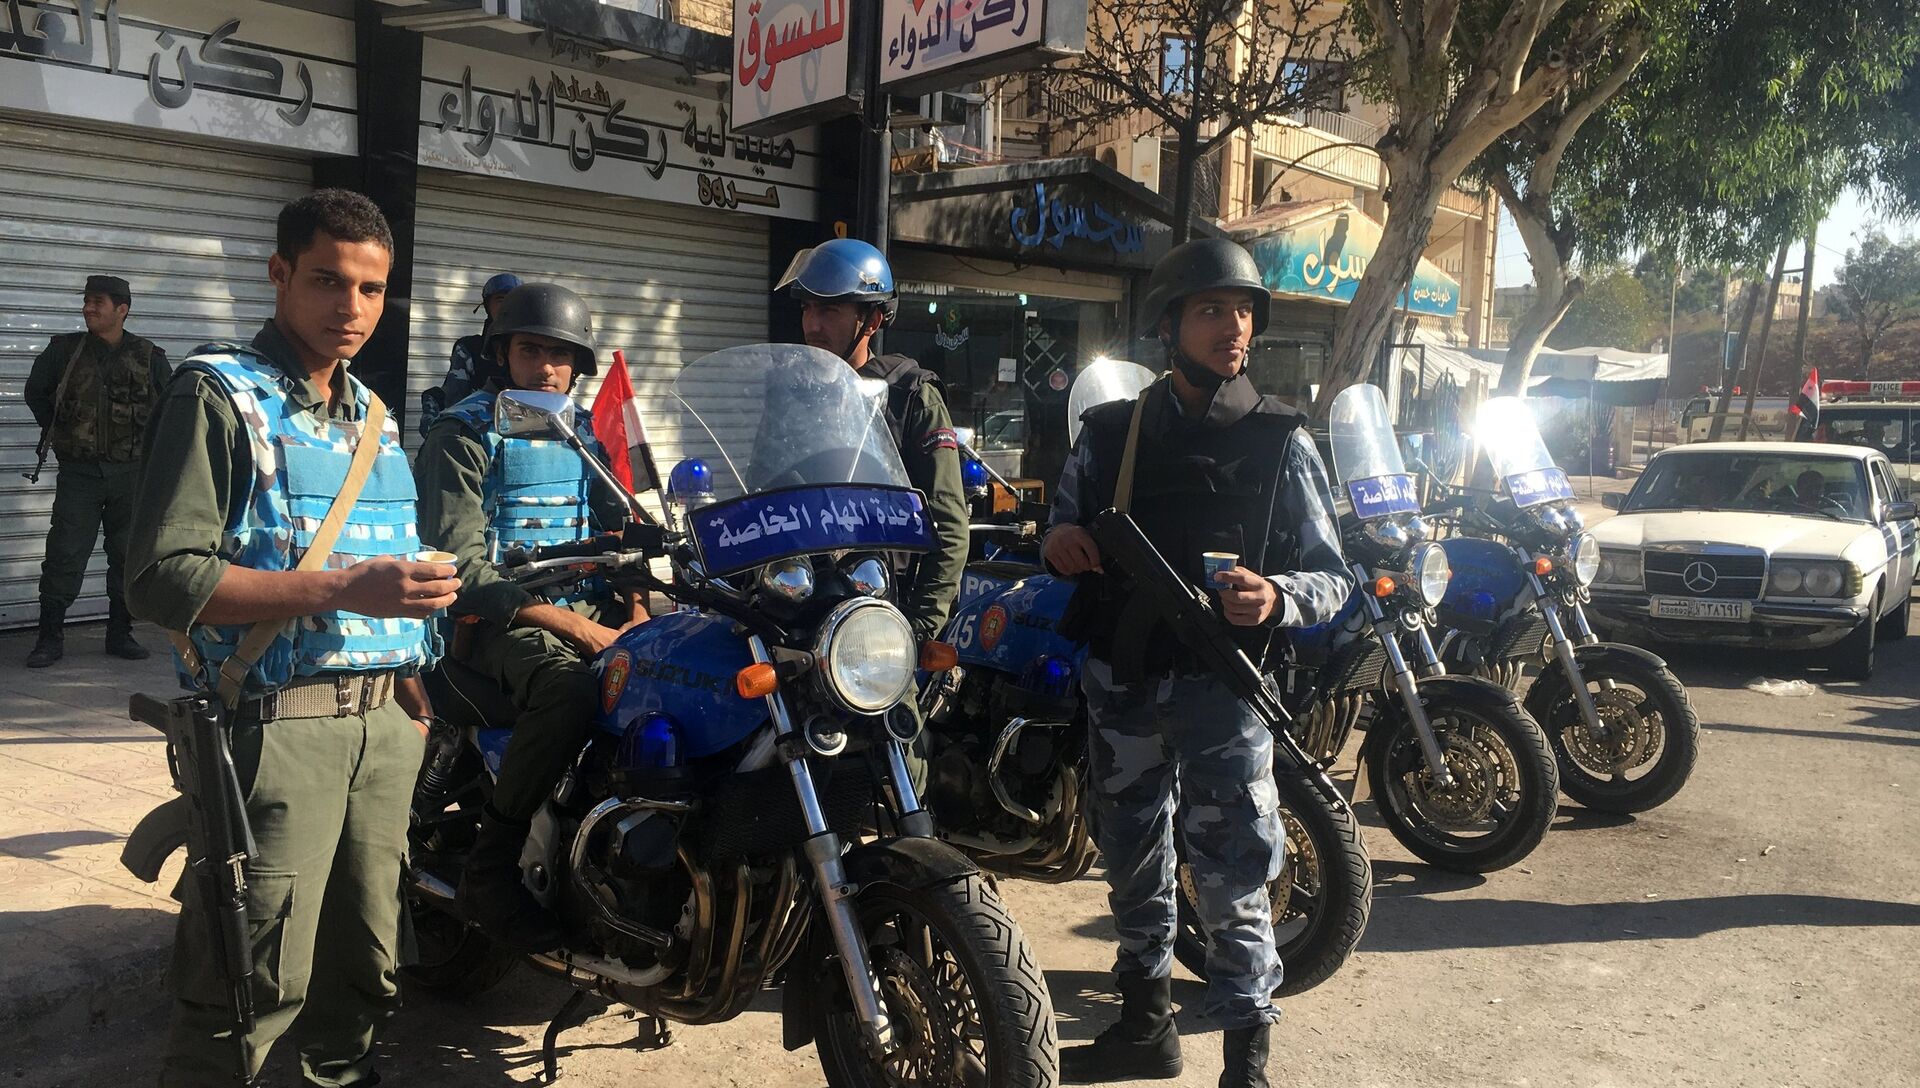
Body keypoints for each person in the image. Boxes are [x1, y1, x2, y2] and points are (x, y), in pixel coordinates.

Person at [125, 189, 455, 1086]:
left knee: (366, 964)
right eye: (327, 281)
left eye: (372, 289)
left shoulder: (374, 415)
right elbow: (161, 578)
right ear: (280, 274)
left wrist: (410, 679)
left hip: (382, 727)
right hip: (278, 729)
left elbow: (381, 561)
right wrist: (347, 588)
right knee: (249, 980)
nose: (352, 308)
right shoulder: (217, 395)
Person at [1040, 239, 1352, 1088]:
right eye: (1213, 309)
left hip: (1222, 689)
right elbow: (1061, 524)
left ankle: (1246, 1061)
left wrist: (1278, 597)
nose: (1235, 326)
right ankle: (1145, 1027)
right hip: (1124, 681)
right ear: (1169, 326)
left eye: (1245, 310)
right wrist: (1060, 541)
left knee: (1233, 872)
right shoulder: (1112, 433)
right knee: (1130, 852)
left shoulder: (1281, 439)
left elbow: (1334, 577)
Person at [415, 281, 646, 950]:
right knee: (567, 689)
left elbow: (623, 531)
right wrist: (575, 626)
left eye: (559, 354)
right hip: (493, 622)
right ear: (503, 354)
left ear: (578, 365)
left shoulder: (583, 433)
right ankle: (491, 869)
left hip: (585, 603)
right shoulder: (463, 432)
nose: (545, 367)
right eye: (529, 350)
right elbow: (457, 566)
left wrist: (638, 608)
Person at [776, 238, 968, 642]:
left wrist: (918, 627)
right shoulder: (792, 394)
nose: (812, 325)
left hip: (878, 611)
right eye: (807, 308)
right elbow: (761, 493)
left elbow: (949, 526)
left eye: (829, 310)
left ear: (872, 320)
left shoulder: (911, 396)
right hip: (797, 600)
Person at [22, 274, 172, 666]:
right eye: (87, 300)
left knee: (127, 556)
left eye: (98, 302)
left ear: (122, 310)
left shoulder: (150, 357)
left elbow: (169, 410)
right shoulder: (64, 352)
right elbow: (35, 392)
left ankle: (120, 633)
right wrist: (61, 430)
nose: (88, 308)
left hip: (132, 476)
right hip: (80, 474)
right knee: (65, 553)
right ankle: (49, 637)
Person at [419, 271, 522, 437]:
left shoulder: (535, 347)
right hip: (481, 433)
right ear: (488, 306)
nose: (508, 307)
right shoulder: (470, 348)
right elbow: (455, 400)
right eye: (501, 300)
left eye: (514, 301)